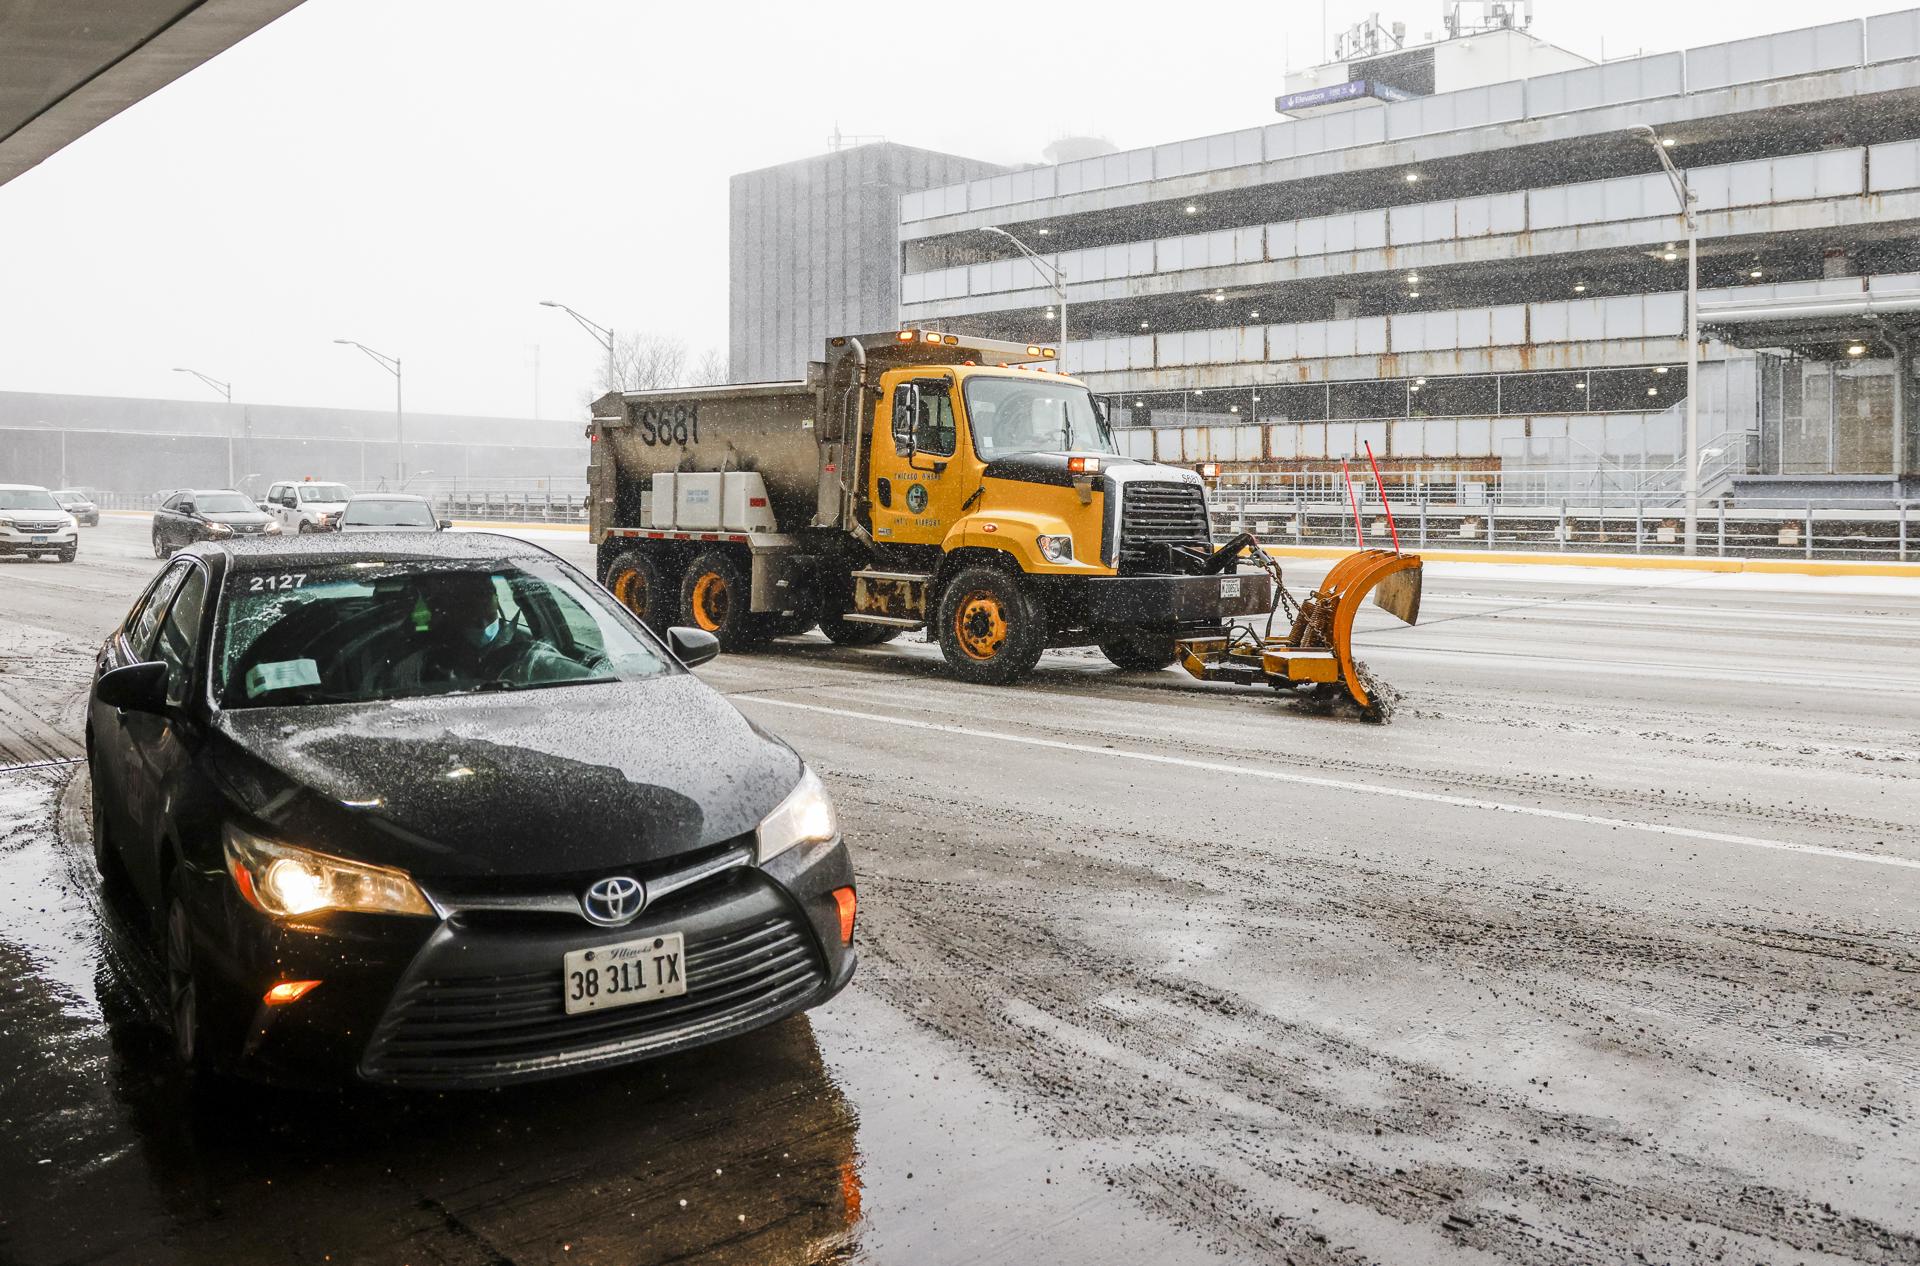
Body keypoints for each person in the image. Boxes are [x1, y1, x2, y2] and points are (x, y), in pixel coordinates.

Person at [380, 570, 590, 693]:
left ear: (497, 597)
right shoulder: (423, 663)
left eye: (485, 593)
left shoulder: (532, 654)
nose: (479, 603)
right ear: (450, 609)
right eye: (467, 600)